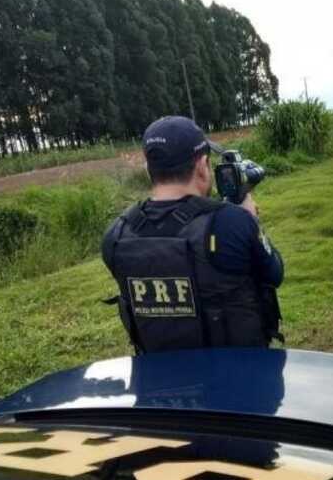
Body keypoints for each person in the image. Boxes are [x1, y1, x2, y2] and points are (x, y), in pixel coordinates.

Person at [102, 116, 284, 353]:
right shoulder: (233, 223)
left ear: (149, 169)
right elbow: (274, 273)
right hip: (239, 380)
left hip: (160, 384)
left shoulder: (115, 235)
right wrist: (250, 219)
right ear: (202, 165)